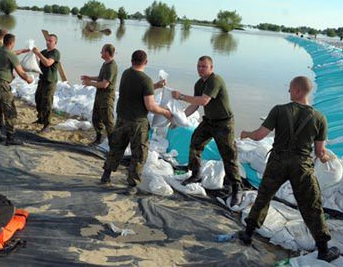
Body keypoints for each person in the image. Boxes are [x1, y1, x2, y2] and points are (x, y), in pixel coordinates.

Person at [237, 76, 340, 263]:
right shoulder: (319, 118)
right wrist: (327, 159)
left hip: (277, 162)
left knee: (264, 197)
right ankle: (323, 249)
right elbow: (319, 152)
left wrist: (246, 134)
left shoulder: (279, 110)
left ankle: (248, 233)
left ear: (298, 90)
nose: (288, 92)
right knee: (311, 205)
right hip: (302, 166)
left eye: (291, 89)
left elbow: (260, 136)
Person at [171, 56, 243, 206]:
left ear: (211, 68)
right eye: (198, 66)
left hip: (224, 123)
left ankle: (237, 187)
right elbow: (195, 106)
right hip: (209, 121)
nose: (200, 69)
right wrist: (179, 119)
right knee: (195, 143)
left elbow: (204, 101)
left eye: (204, 66)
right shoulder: (199, 83)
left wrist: (182, 96)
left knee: (228, 155)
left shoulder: (215, 80)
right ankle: (196, 174)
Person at [100, 50, 172, 195]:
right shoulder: (145, 79)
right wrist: (166, 112)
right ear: (145, 62)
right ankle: (132, 184)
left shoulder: (127, 73)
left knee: (116, 147)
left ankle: (106, 175)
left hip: (121, 119)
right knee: (139, 154)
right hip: (137, 122)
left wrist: (156, 86)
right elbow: (150, 106)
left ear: (131, 60)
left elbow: (139, 87)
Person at [0, 33, 33, 145]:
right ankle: (10, 138)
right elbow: (21, 72)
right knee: (10, 111)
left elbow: (10, 54)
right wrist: (29, 79)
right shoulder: (10, 54)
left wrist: (23, 51)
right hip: (1, 85)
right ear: (12, 43)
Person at [81, 44, 118, 145]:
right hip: (100, 96)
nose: (100, 53)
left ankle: (113, 144)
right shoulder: (105, 64)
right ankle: (99, 138)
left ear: (107, 52)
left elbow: (104, 84)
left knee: (108, 121)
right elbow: (101, 78)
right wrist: (90, 78)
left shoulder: (111, 66)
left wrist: (90, 84)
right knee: (96, 119)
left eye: (102, 51)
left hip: (106, 97)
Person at [32, 34, 60, 132]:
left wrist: (38, 54)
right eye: (47, 40)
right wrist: (33, 53)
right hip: (42, 80)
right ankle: (40, 118)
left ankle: (47, 124)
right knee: (38, 99)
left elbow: (48, 63)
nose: (48, 42)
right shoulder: (44, 52)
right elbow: (38, 63)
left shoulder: (55, 53)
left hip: (50, 81)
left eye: (50, 41)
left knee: (47, 102)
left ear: (55, 43)